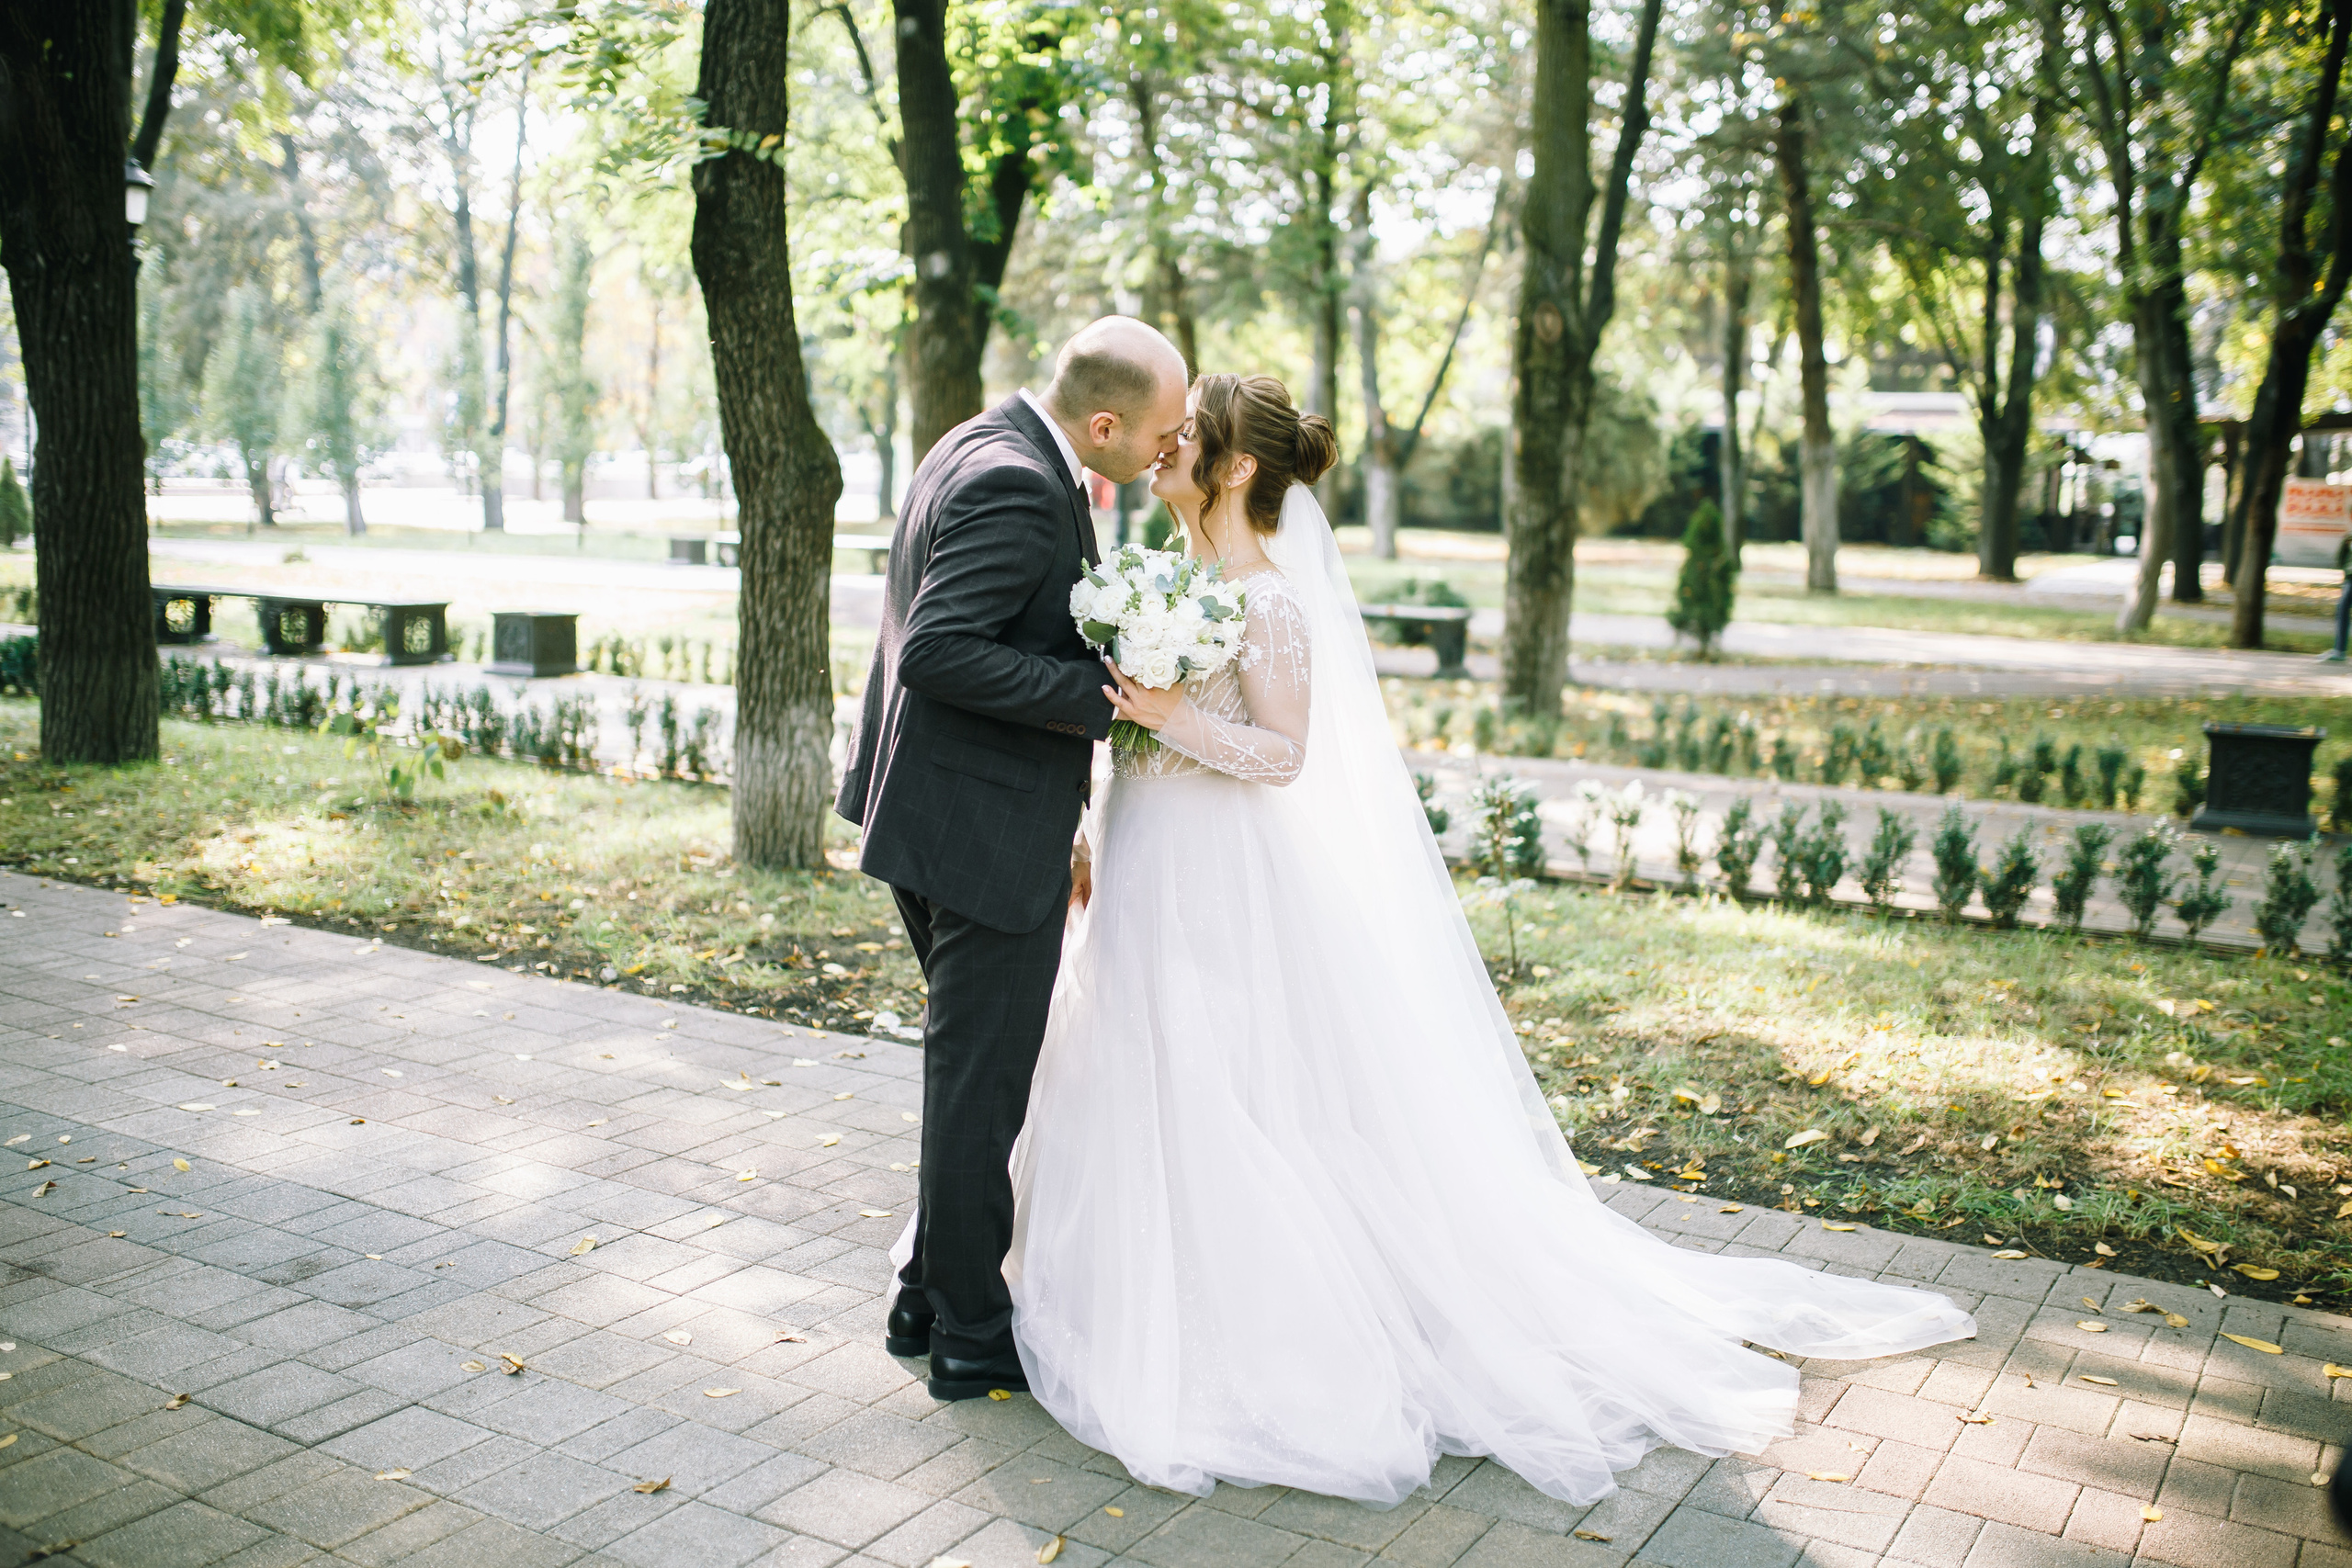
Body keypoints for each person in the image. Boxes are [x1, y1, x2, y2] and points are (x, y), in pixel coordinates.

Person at [998, 371, 1977, 1507]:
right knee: (1130, 1054)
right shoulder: (1162, 577)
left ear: (1238, 466)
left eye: (1186, 437)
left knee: (1222, 1071)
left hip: (1218, 875)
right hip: (1138, 849)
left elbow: (1285, 756)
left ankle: (1242, 1322)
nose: (1163, 449)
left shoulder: (1267, 600)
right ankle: (1113, 1284)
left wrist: (1174, 717)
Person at [835, 316, 1189, 1400]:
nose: (1170, 448)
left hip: (936, 810)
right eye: (1162, 431)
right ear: (1104, 424)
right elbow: (940, 649)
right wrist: (1100, 697)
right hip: (977, 834)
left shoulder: (977, 440)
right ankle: (972, 1334)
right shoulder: (1021, 484)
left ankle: (923, 1299)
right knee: (979, 1091)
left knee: (973, 1081)